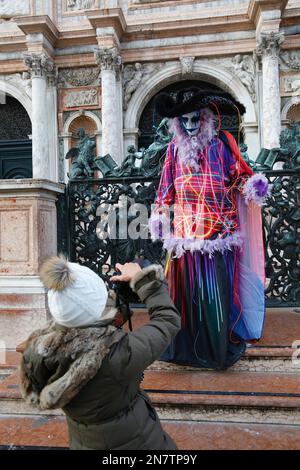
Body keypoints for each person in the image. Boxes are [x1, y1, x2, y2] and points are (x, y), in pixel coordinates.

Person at [149, 88, 270, 370]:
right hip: (185, 233)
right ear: (177, 125)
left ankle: (214, 349)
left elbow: (237, 178)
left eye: (195, 120)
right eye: (184, 122)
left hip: (218, 232)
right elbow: (165, 187)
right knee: (187, 295)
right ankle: (187, 350)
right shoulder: (173, 150)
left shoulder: (222, 146)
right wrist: (159, 214)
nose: (190, 127)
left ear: (205, 120)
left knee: (216, 293)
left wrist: (252, 187)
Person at [20, 256, 180, 450]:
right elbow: (167, 321)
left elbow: (85, 324)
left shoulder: (41, 352)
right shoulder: (117, 356)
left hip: (85, 441)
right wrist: (144, 281)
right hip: (137, 441)